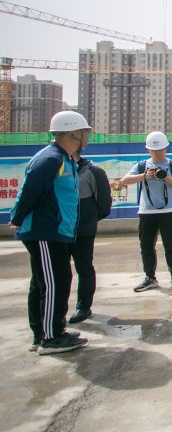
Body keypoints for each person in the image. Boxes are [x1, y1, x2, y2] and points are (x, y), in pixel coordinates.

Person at [10, 110, 90, 355]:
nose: (87, 137)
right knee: (55, 282)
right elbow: (31, 190)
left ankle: (45, 332)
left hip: (55, 231)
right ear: (73, 133)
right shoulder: (51, 158)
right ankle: (51, 337)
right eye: (84, 132)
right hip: (45, 231)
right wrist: (18, 217)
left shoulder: (64, 158)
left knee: (44, 282)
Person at [121, 131, 172, 292]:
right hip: (146, 212)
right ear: (148, 150)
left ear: (166, 148)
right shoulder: (142, 166)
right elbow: (125, 180)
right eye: (154, 150)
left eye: (160, 150)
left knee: (171, 245)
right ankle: (150, 278)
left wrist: (166, 177)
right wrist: (144, 176)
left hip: (169, 210)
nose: (158, 153)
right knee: (146, 246)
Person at [68, 151, 112, 324]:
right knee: (60, 272)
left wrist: (87, 219)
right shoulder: (53, 168)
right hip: (57, 230)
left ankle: (83, 307)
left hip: (83, 231)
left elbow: (104, 204)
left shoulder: (93, 172)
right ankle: (56, 312)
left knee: (84, 267)